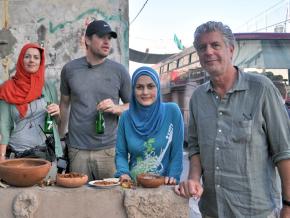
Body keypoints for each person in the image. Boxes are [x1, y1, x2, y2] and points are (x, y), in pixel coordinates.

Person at [174, 21, 290, 218]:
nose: (208, 51)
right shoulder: (198, 98)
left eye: (215, 45)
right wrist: (193, 178)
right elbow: (195, 147)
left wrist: (288, 205)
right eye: (202, 48)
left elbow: (284, 151)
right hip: (212, 211)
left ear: (230, 50)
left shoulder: (262, 89)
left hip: (256, 212)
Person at [59, 20, 131, 181]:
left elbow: (135, 106)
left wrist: (117, 108)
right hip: (77, 150)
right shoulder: (69, 69)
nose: (107, 42)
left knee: (111, 200)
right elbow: (64, 104)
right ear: (87, 40)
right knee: (79, 200)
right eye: (101, 37)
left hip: (109, 151)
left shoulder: (119, 71)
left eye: (109, 38)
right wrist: (60, 140)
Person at [115, 66, 184, 185]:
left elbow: (177, 152)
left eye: (151, 86)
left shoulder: (172, 111)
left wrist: (173, 175)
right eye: (139, 87)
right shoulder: (125, 118)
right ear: (133, 90)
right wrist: (123, 173)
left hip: (164, 185)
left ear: (157, 87)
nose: (145, 92)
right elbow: (121, 153)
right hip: (134, 186)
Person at [0, 43, 63, 164]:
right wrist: (1, 157)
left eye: (36, 57)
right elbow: (3, 127)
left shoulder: (48, 87)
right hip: (17, 157)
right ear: (21, 59)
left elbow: (55, 122)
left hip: (47, 156)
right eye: (27, 56)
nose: (31, 60)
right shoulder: (7, 89)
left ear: (41, 61)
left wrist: (57, 113)